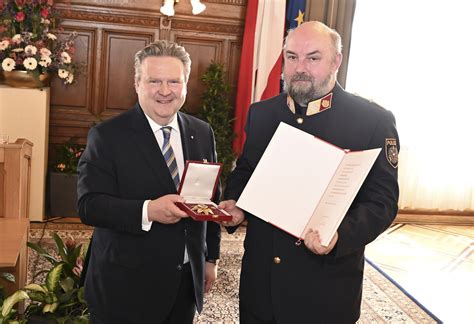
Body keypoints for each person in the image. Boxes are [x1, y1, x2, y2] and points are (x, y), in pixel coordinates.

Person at [219, 21, 400, 323]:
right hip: (260, 284)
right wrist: (236, 202)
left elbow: (382, 203)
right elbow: (247, 170)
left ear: (336, 61)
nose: (299, 67)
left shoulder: (372, 121)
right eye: (291, 57)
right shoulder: (263, 113)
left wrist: (340, 235)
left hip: (325, 291)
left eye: (312, 58)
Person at [77, 40, 221, 324]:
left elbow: (210, 199)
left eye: (173, 81)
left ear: (186, 83)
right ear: (137, 82)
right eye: (154, 81)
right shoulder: (107, 136)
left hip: (183, 285)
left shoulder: (202, 132)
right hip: (124, 286)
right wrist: (148, 211)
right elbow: (88, 205)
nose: (165, 91)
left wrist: (209, 259)